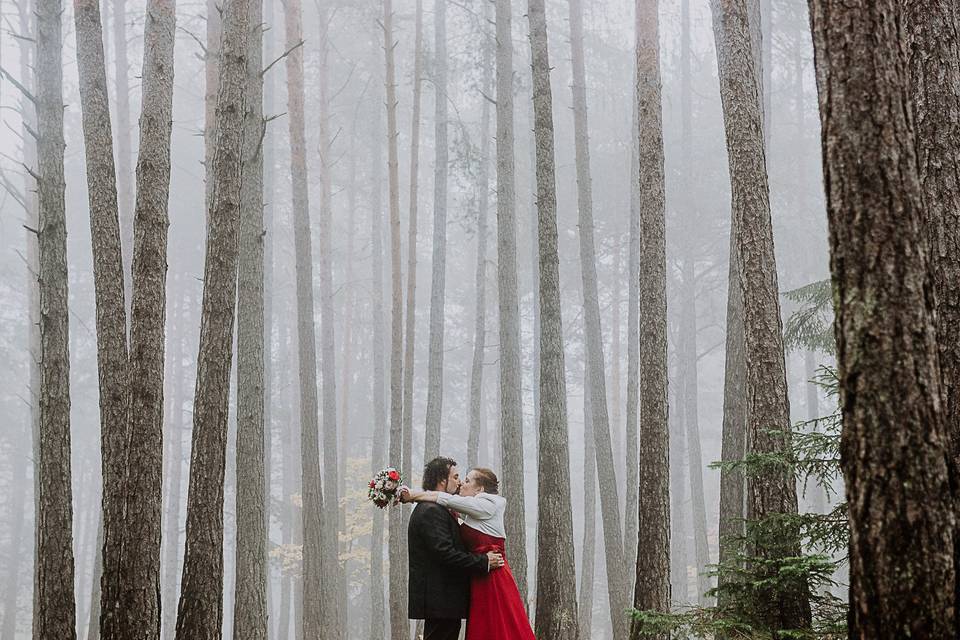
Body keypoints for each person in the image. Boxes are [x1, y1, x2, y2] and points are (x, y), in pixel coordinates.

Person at [403, 465, 536, 640]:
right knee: (483, 626)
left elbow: (446, 499)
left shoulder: (488, 504)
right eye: (458, 478)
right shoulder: (471, 511)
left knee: (498, 626)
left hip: (493, 576)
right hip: (480, 574)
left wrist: (411, 495)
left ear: (480, 489)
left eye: (466, 480)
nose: (461, 484)